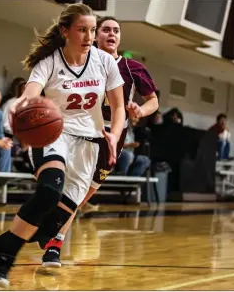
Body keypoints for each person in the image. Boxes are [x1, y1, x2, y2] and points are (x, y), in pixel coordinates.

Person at [0, 3, 125, 288]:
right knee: (48, 191)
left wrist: (114, 135)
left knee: (47, 226)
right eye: (82, 29)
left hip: (89, 145)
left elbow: (118, 107)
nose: (89, 36)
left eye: (92, 30)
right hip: (54, 136)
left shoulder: (104, 62)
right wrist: (20, 106)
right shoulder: (50, 62)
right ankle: (3, 261)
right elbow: (30, 94)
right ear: (65, 31)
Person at [39, 16, 159, 267]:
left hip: (112, 135)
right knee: (61, 188)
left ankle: (52, 233)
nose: (111, 34)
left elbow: (153, 101)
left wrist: (140, 111)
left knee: (83, 195)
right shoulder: (80, 59)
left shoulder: (132, 67)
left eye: (116, 30)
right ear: (95, 35)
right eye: (106, 30)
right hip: (77, 128)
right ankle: (53, 242)